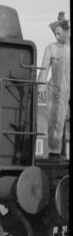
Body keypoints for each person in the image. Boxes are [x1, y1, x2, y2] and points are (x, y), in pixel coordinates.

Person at [38, 12, 70, 161]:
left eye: (59, 33)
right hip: (56, 89)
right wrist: (41, 87)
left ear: (67, 31)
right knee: (55, 121)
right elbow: (44, 69)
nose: (56, 37)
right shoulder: (51, 48)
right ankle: (55, 152)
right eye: (55, 34)